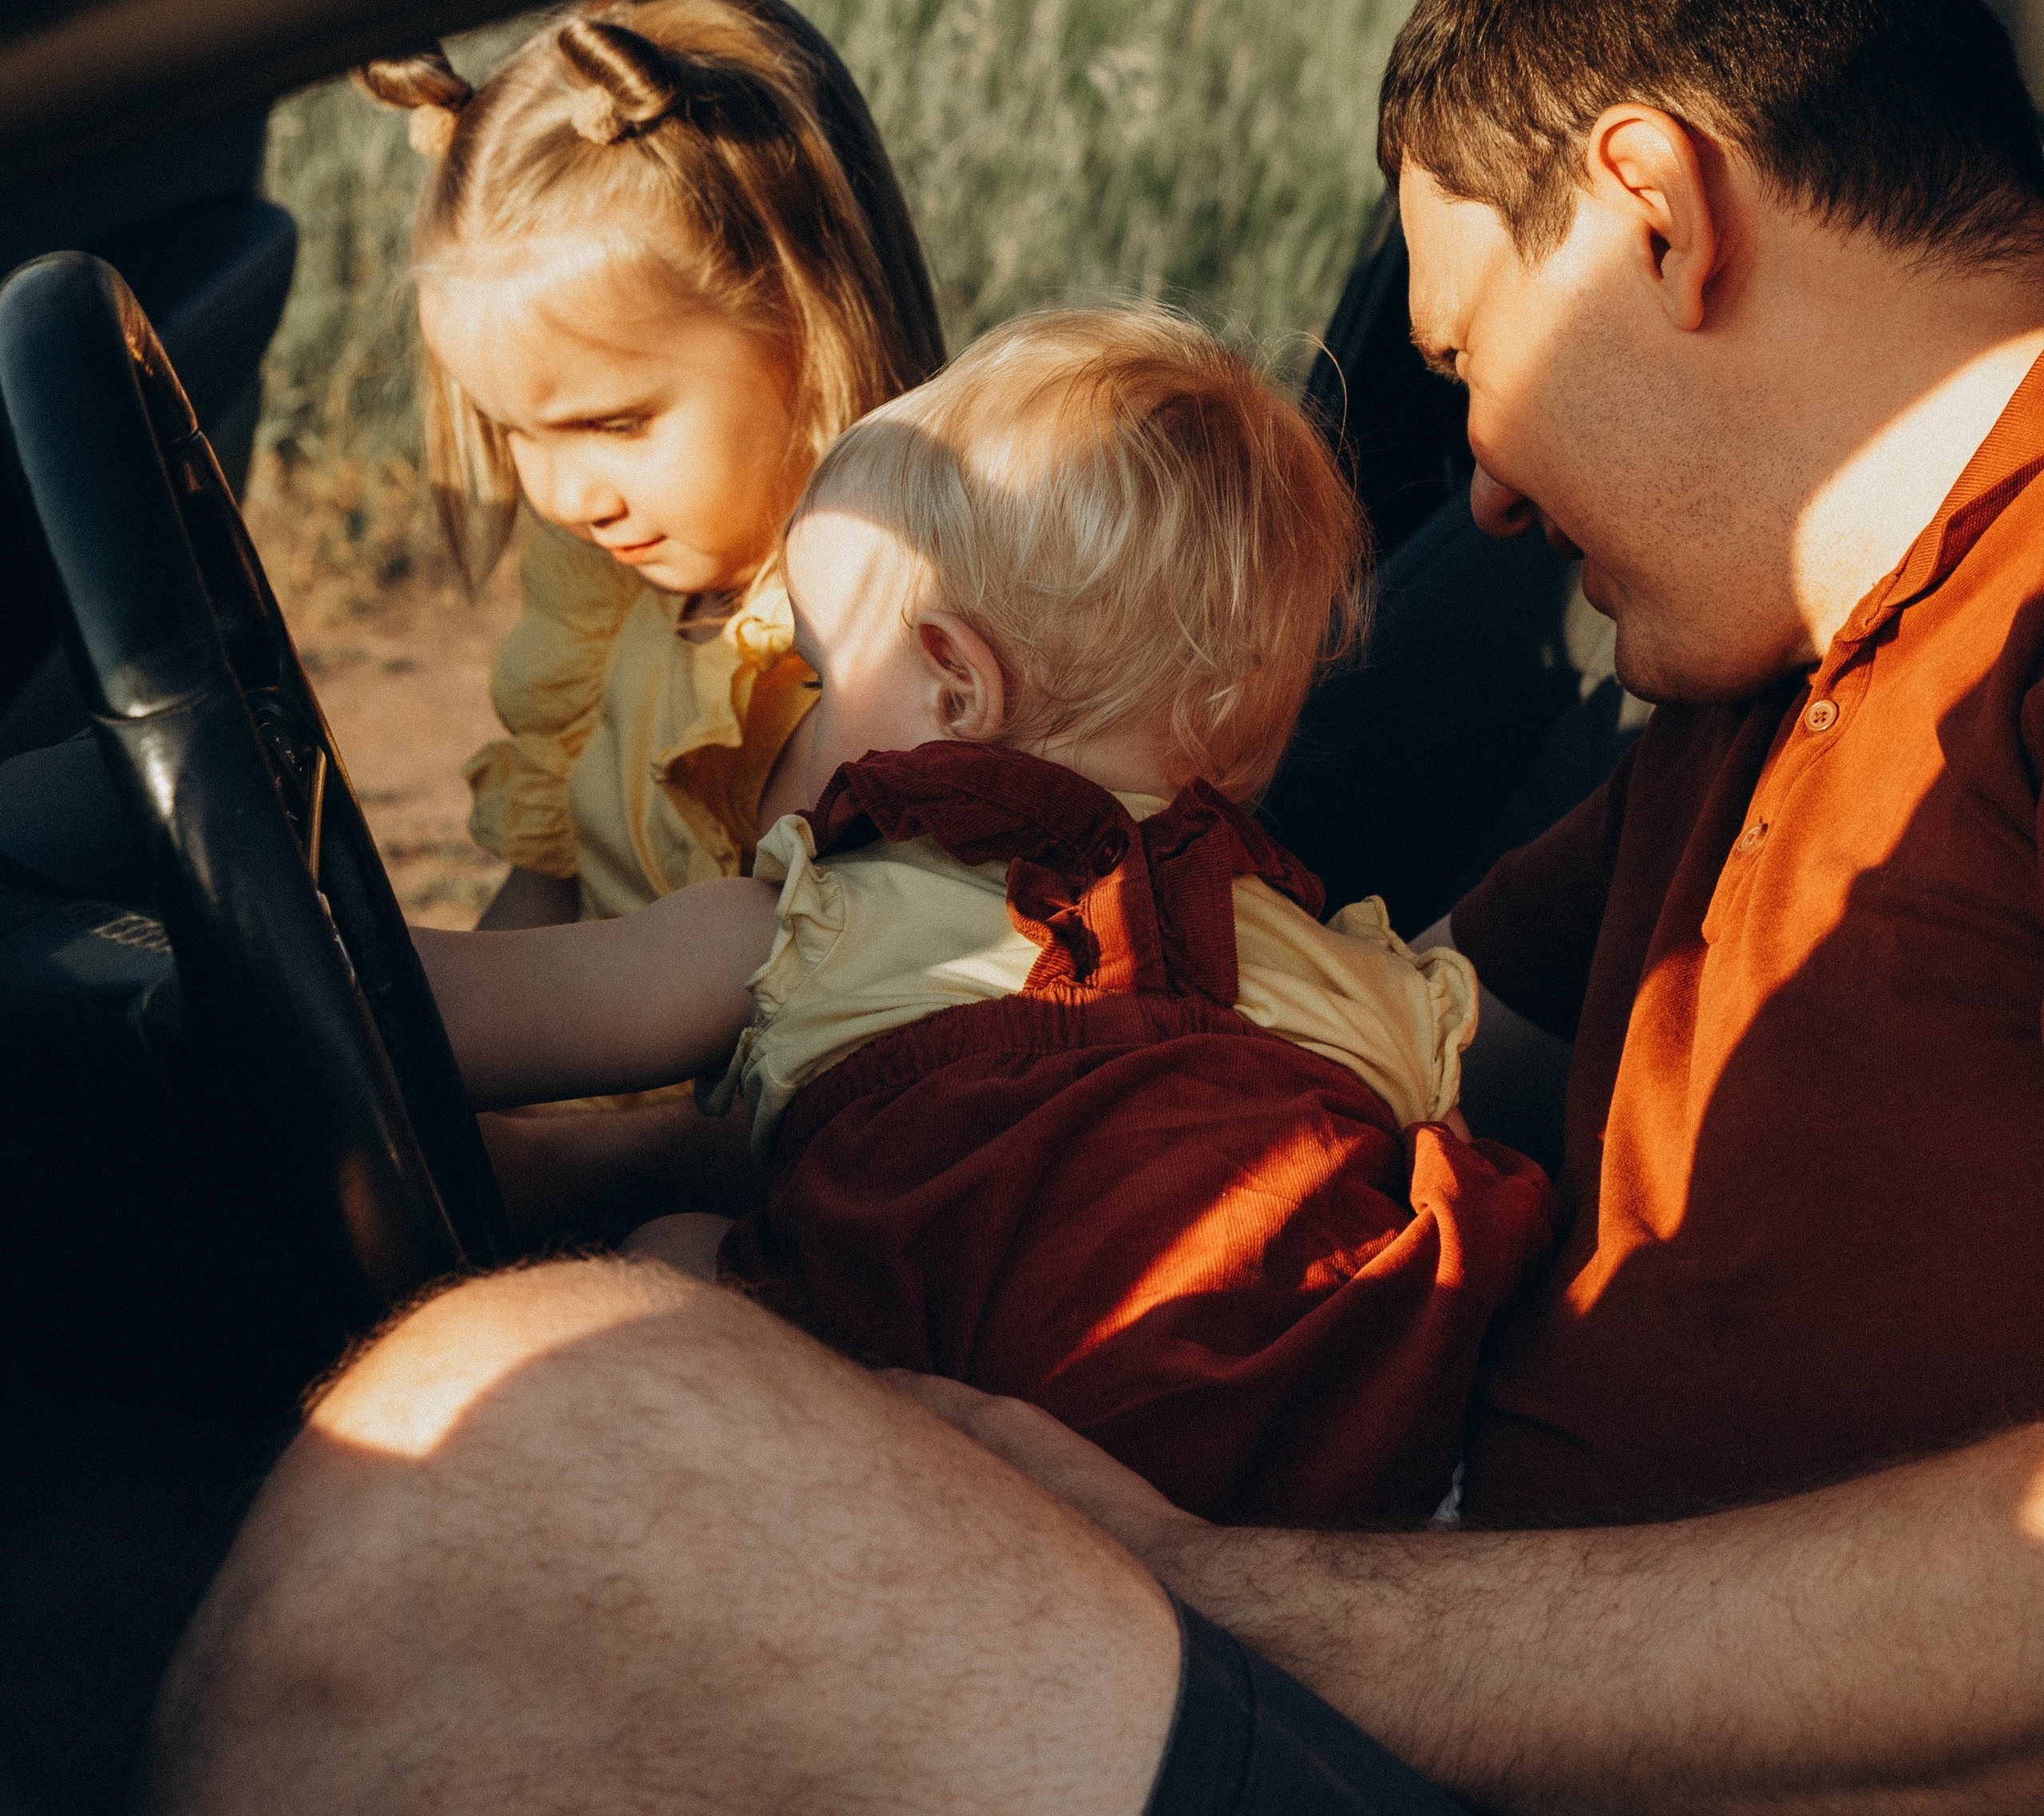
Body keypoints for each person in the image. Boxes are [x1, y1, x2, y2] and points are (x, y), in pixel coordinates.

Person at [120, 0, 2044, 1816]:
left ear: (1657, 211)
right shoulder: (1743, 710)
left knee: (509, 1516)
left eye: (1468, 360)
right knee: (577, 1403)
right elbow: (1256, 1043)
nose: (1482, 483)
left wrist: (1216, 1589)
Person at [415, 307, 1554, 1525]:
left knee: (671, 1256)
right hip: (1315, 1480)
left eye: (813, 672)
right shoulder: (1346, 966)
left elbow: (449, 1012)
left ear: (952, 685)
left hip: (969, 1480)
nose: (798, 721)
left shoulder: (802, 921)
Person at [356, 0, 945, 932]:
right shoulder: (604, 601)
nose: (563, 496)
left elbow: (807, 1006)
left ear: (809, 322)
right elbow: (549, 887)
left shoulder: (888, 657)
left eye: (616, 424)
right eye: (512, 431)